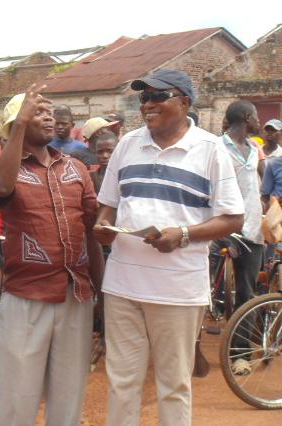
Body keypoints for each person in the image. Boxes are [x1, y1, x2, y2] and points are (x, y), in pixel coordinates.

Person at [93, 69, 244, 426]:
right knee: (122, 382)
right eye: (144, 97)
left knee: (174, 385)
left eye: (159, 96)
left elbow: (234, 218)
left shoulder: (211, 150)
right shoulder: (127, 144)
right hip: (123, 286)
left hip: (177, 290)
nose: (148, 104)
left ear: (185, 102)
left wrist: (185, 234)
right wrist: (103, 226)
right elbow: (108, 204)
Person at [0, 86, 104, 426]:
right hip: (27, 297)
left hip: (75, 296)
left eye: (49, 113)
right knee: (16, 397)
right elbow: (2, 189)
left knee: (69, 395)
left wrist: (101, 293)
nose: (48, 118)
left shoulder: (75, 169)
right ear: (17, 124)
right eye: (37, 113)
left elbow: (92, 233)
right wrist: (20, 126)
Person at [216, 100, 265, 375]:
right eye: (256, 116)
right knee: (206, 287)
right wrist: (223, 235)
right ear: (247, 117)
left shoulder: (255, 148)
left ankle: (240, 355)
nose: (259, 121)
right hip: (222, 227)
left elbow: (258, 184)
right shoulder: (216, 147)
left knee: (247, 292)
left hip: (253, 229)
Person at [90, 129, 118, 194]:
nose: (105, 156)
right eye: (100, 152)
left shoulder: (126, 176)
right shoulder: (90, 177)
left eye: (110, 151)